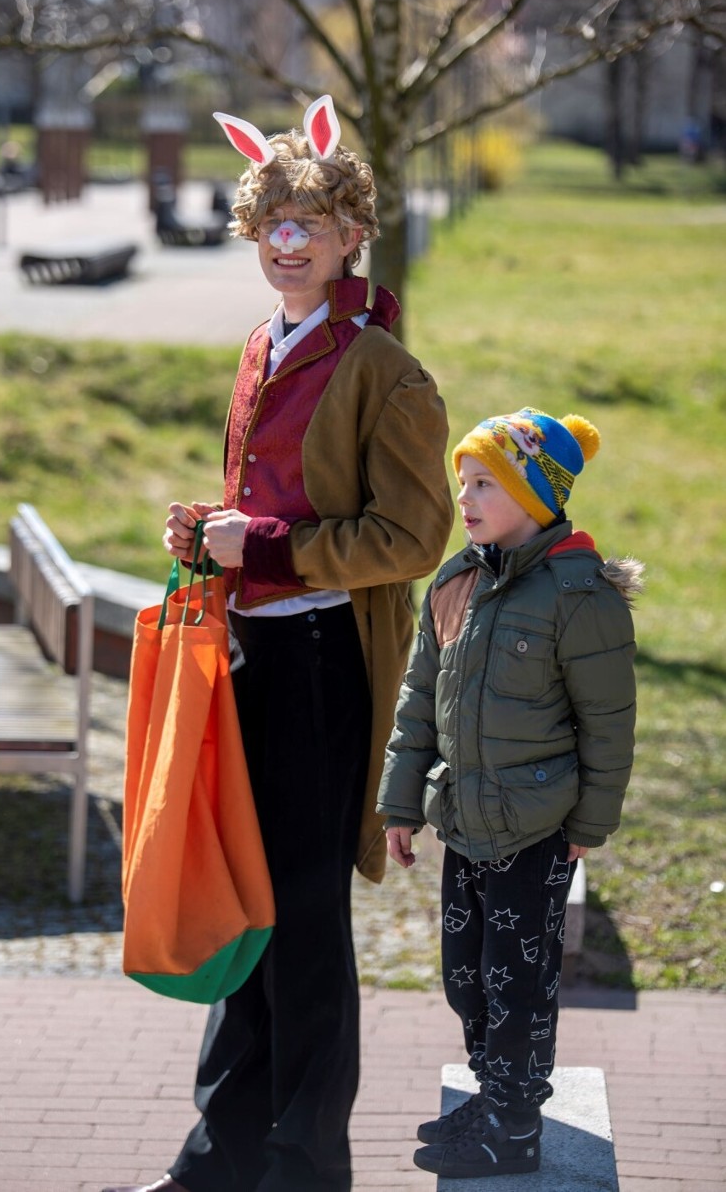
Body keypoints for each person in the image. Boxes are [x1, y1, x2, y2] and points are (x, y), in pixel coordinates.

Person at [103, 96, 453, 1192]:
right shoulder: (262, 343)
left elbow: (413, 535)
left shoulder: (385, 369)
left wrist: (261, 544)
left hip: (319, 673)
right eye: (272, 225)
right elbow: (269, 508)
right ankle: (219, 1160)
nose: (288, 243)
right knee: (242, 906)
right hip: (245, 661)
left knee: (301, 920)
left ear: (353, 232)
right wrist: (209, 534)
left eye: (311, 223)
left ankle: (305, 1168)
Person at [376, 407, 643, 1180]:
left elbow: (609, 721)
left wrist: (589, 823)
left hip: (535, 829)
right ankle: (493, 1093)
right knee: (466, 973)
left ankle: (516, 1123)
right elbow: (419, 699)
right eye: (463, 480)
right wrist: (400, 804)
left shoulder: (577, 593)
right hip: (463, 823)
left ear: (536, 495)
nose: (466, 496)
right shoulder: (456, 581)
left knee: (517, 982)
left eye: (485, 481)